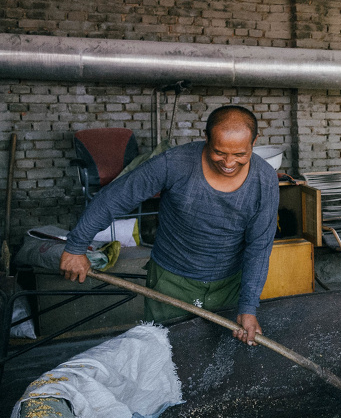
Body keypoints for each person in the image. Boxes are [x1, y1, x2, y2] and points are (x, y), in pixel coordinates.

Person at [60, 105, 278, 346]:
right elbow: (116, 197)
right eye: (219, 152)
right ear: (205, 137)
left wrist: (248, 307)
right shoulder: (175, 163)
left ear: (254, 141)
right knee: (165, 355)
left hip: (228, 286)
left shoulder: (265, 179)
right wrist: (76, 246)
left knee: (218, 358)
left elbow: (259, 247)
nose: (228, 162)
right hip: (170, 281)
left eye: (240, 155)